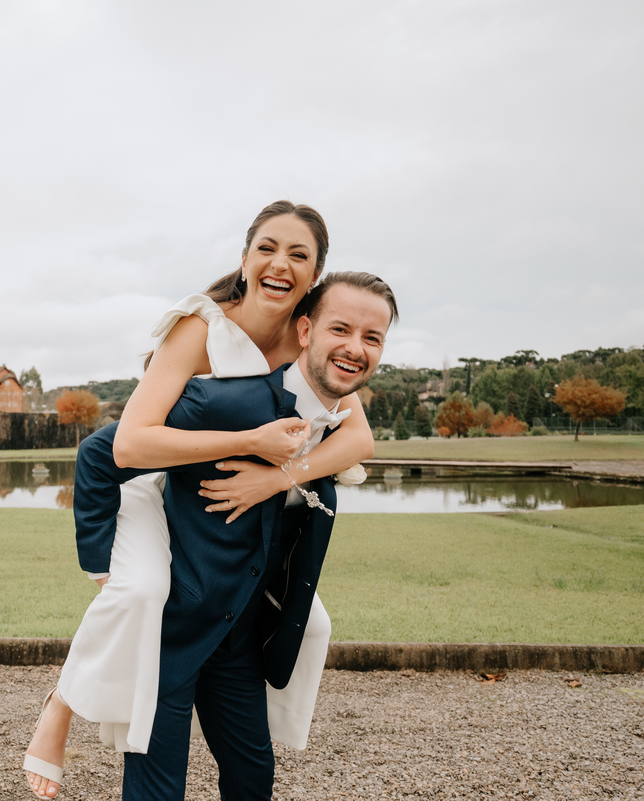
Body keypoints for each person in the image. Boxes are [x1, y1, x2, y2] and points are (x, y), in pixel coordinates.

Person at [23, 202, 378, 798]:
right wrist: (252, 443)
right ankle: (61, 704)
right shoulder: (202, 329)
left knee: (310, 621)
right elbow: (124, 447)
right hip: (147, 482)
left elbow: (359, 438)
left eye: (299, 254)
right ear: (245, 258)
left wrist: (276, 478)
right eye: (267, 248)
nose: (281, 263)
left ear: (315, 276)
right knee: (140, 592)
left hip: (220, 524)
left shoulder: (307, 339)